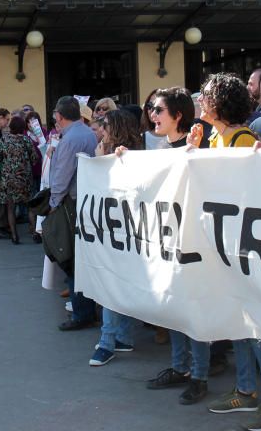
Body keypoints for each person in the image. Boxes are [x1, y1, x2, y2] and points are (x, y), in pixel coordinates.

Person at [191, 75, 261, 431]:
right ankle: (245, 390)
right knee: (240, 322)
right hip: (226, 243)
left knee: (258, 324)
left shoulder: (242, 138)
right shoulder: (216, 137)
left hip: (246, 246)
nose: (200, 101)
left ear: (218, 102)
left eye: (205, 96)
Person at [143, 86, 213, 405]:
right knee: (174, 308)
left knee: (194, 310)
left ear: (178, 116)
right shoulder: (163, 150)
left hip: (194, 245)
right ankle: (180, 366)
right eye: (152, 109)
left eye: (158, 110)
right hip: (168, 241)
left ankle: (199, 375)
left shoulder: (198, 150)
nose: (152, 114)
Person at [89, 109, 143, 366]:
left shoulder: (130, 154)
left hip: (123, 228)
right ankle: (122, 336)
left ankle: (107, 341)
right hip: (114, 227)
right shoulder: (108, 148)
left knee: (112, 286)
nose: (102, 129)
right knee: (119, 284)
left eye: (106, 125)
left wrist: (102, 160)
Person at [49, 96, 98, 331]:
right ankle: (86, 308)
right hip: (87, 199)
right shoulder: (88, 133)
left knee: (69, 256)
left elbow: (61, 175)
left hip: (72, 201)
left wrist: (54, 202)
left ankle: (81, 312)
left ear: (59, 116)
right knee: (81, 257)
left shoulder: (70, 140)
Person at [0, 115, 36, 244]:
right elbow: (34, 158)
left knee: (11, 208)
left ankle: (15, 236)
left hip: (9, 179)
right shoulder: (26, 140)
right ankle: (34, 233)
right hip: (24, 178)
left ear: (11, 127)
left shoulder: (4, 140)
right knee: (30, 207)